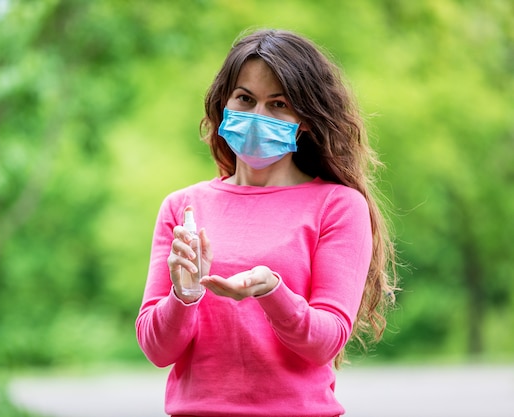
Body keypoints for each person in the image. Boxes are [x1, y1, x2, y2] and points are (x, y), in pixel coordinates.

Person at [136, 28, 398, 417]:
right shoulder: (183, 208)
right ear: (224, 104)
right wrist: (184, 295)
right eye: (245, 99)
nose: (258, 116)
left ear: (306, 118)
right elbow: (157, 350)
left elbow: (325, 342)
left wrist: (272, 290)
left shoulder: (338, 206)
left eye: (278, 104)